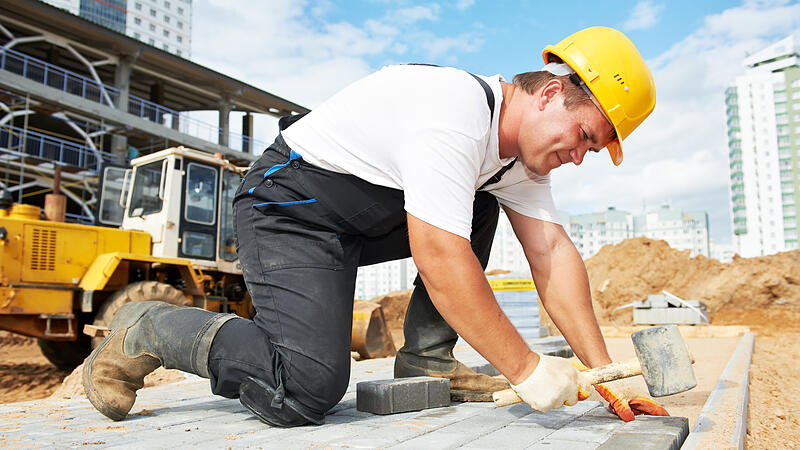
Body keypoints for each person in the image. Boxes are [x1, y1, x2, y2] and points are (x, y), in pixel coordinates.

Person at [83, 26, 668, 427]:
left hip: (356, 222)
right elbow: (439, 255)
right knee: (305, 390)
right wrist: (526, 369)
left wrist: (604, 374)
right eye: (587, 137)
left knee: (481, 200)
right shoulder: (455, 112)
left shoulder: (516, 163)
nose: (582, 155)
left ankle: (428, 358)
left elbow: (553, 255)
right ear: (552, 93)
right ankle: (149, 326)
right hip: (287, 210)